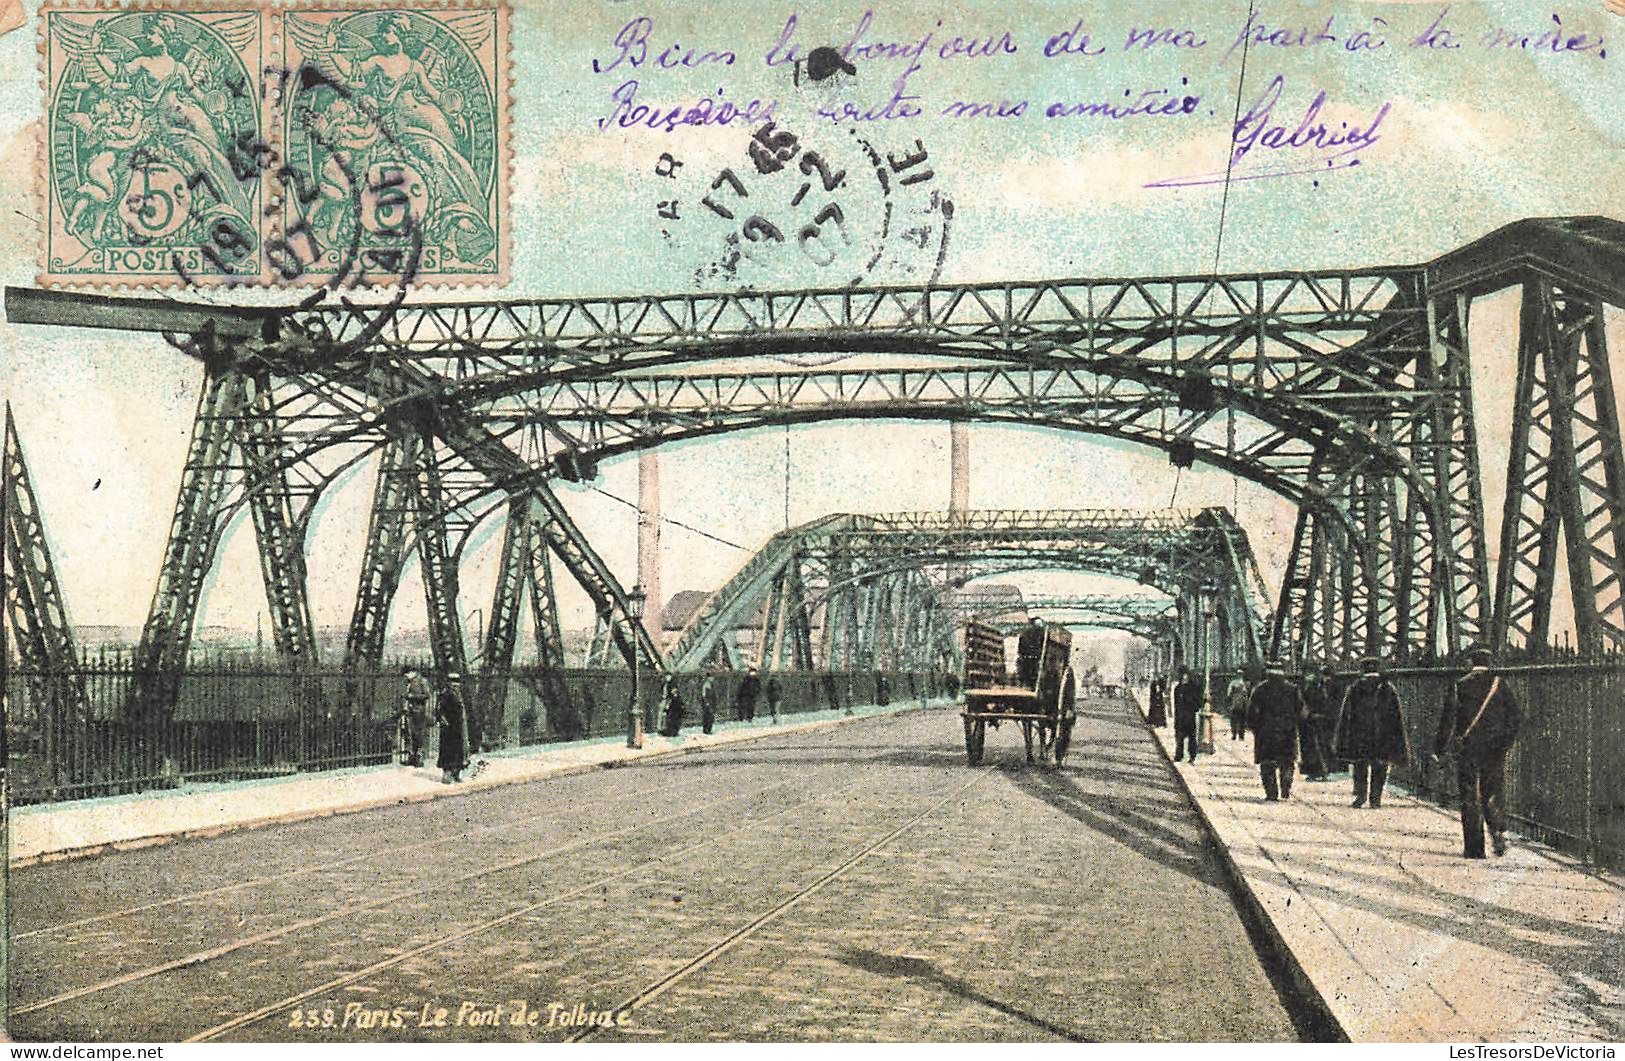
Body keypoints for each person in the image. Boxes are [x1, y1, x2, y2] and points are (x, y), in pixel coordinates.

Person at [1432, 645, 1522, 858]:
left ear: (1471, 662)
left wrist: (1439, 748)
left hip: (1468, 747)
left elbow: (1448, 720)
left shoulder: (1459, 686)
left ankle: (1474, 848)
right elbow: (1515, 718)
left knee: (1469, 795)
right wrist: (1504, 742)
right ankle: (1498, 829)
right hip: (1494, 748)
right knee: (1492, 790)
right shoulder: (1501, 685)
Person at [1336, 655, 1411, 809]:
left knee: (1360, 765)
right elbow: (1396, 716)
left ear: (1363, 669)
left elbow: (1346, 714)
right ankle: (1375, 798)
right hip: (1382, 735)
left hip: (1360, 734)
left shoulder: (1355, 687)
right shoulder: (1388, 688)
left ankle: (1361, 795)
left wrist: (1344, 737)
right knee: (1380, 767)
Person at [1249, 663, 1305, 801]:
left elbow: (1251, 712)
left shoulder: (1260, 689)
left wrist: (1255, 728)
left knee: (1267, 763)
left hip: (1265, 732)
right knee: (1287, 761)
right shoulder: (1292, 689)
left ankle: (1271, 793)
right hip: (1287, 731)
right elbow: (1301, 711)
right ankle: (1286, 787)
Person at [1298, 665, 1333, 780]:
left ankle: (1321, 771)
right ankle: (1319, 771)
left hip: (1317, 720)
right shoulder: (1315, 687)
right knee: (1316, 746)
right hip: (1315, 720)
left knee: (1318, 746)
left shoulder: (1318, 687)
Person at [435, 673, 468, 784]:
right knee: (448, 750)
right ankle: (447, 774)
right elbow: (439, 710)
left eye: (457, 682)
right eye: (453, 682)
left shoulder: (459, 694)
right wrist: (443, 720)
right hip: (449, 727)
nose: (455, 684)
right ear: (448, 683)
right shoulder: (445, 694)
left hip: (458, 726)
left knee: (459, 750)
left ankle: (456, 772)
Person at [400, 666, 431, 767]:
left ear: (412, 672)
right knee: (410, 734)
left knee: (419, 735)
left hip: (418, 711)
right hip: (409, 710)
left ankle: (419, 758)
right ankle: (411, 757)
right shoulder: (408, 682)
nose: (406, 676)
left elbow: (427, 695)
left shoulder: (422, 681)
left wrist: (412, 697)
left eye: (407, 674)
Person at [1172, 668, 1204, 763]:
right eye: (1182, 676)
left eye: (1185, 676)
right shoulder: (1177, 688)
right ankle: (1179, 755)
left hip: (1189, 716)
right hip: (1180, 716)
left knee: (1192, 738)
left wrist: (1193, 708)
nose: (1184, 677)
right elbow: (1176, 703)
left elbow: (1198, 701)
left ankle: (1192, 756)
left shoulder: (1192, 688)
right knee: (1179, 738)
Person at [1016, 617, 1046, 690]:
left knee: (1025, 670)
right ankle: (1032, 686)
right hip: (1035, 655)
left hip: (1026, 655)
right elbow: (1043, 644)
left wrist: (1021, 654)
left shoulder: (1024, 631)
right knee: (1033, 670)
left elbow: (1020, 645)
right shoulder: (1041, 631)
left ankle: (1025, 685)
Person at [1226, 675, 1250, 740]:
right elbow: (1248, 695)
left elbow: (1229, 694)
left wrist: (1229, 702)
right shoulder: (1246, 684)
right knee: (1242, 720)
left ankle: (1234, 734)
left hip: (1235, 704)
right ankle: (1241, 736)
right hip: (1243, 705)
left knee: (1234, 720)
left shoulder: (1233, 683)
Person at [699, 669, 718, 734]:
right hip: (708, 703)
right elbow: (704, 695)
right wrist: (706, 703)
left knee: (710, 717)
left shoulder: (711, 684)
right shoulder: (706, 684)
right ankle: (706, 730)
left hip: (711, 703)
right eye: (711, 677)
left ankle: (708, 729)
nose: (712, 678)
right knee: (708, 717)